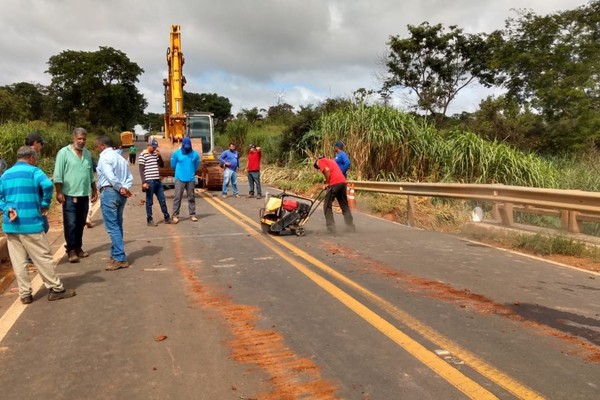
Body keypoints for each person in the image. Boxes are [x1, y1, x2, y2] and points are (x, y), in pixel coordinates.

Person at [0, 146, 76, 303]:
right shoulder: (34, 171)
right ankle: (56, 289)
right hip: (31, 222)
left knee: (18, 261)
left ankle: (25, 294)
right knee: (42, 256)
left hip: (11, 224)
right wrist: (44, 203)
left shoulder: (5, 175)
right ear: (31, 158)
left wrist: (8, 209)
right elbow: (47, 185)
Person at [53, 128, 98, 263]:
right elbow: (58, 174)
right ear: (73, 138)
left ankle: (78, 247)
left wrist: (94, 189)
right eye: (79, 138)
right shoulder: (63, 153)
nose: (81, 141)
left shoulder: (87, 154)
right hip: (69, 195)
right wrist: (59, 192)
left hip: (84, 194)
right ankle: (71, 250)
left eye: (84, 139)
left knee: (80, 223)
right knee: (71, 223)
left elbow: (90, 174)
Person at [95, 136, 134, 271]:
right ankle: (115, 254)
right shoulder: (121, 159)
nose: (97, 149)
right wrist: (125, 188)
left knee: (112, 227)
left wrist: (119, 187)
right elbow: (130, 177)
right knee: (117, 225)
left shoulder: (104, 158)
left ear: (102, 146)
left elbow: (110, 176)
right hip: (120, 194)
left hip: (110, 192)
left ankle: (119, 257)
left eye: (97, 147)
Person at [314, 156, 355, 233]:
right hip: (342, 182)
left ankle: (331, 227)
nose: (319, 169)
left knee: (327, 206)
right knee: (344, 206)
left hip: (334, 183)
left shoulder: (320, 161)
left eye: (318, 168)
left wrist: (328, 183)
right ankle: (350, 226)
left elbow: (327, 170)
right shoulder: (331, 161)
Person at [139, 139, 171, 226]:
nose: (154, 149)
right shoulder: (143, 155)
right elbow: (141, 170)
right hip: (149, 182)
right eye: (153, 147)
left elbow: (161, 165)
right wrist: (143, 182)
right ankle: (149, 220)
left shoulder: (155, 155)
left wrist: (160, 156)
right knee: (149, 202)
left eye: (155, 147)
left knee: (162, 200)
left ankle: (167, 217)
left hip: (157, 181)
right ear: (149, 145)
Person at [170, 137, 200, 223]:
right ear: (183, 145)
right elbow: (173, 165)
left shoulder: (195, 154)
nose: (187, 148)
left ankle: (192, 214)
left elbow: (197, 165)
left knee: (191, 197)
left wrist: (191, 171)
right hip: (179, 178)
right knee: (177, 197)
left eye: (188, 146)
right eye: (185, 146)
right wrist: (180, 171)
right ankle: (175, 215)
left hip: (190, 178)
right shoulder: (176, 154)